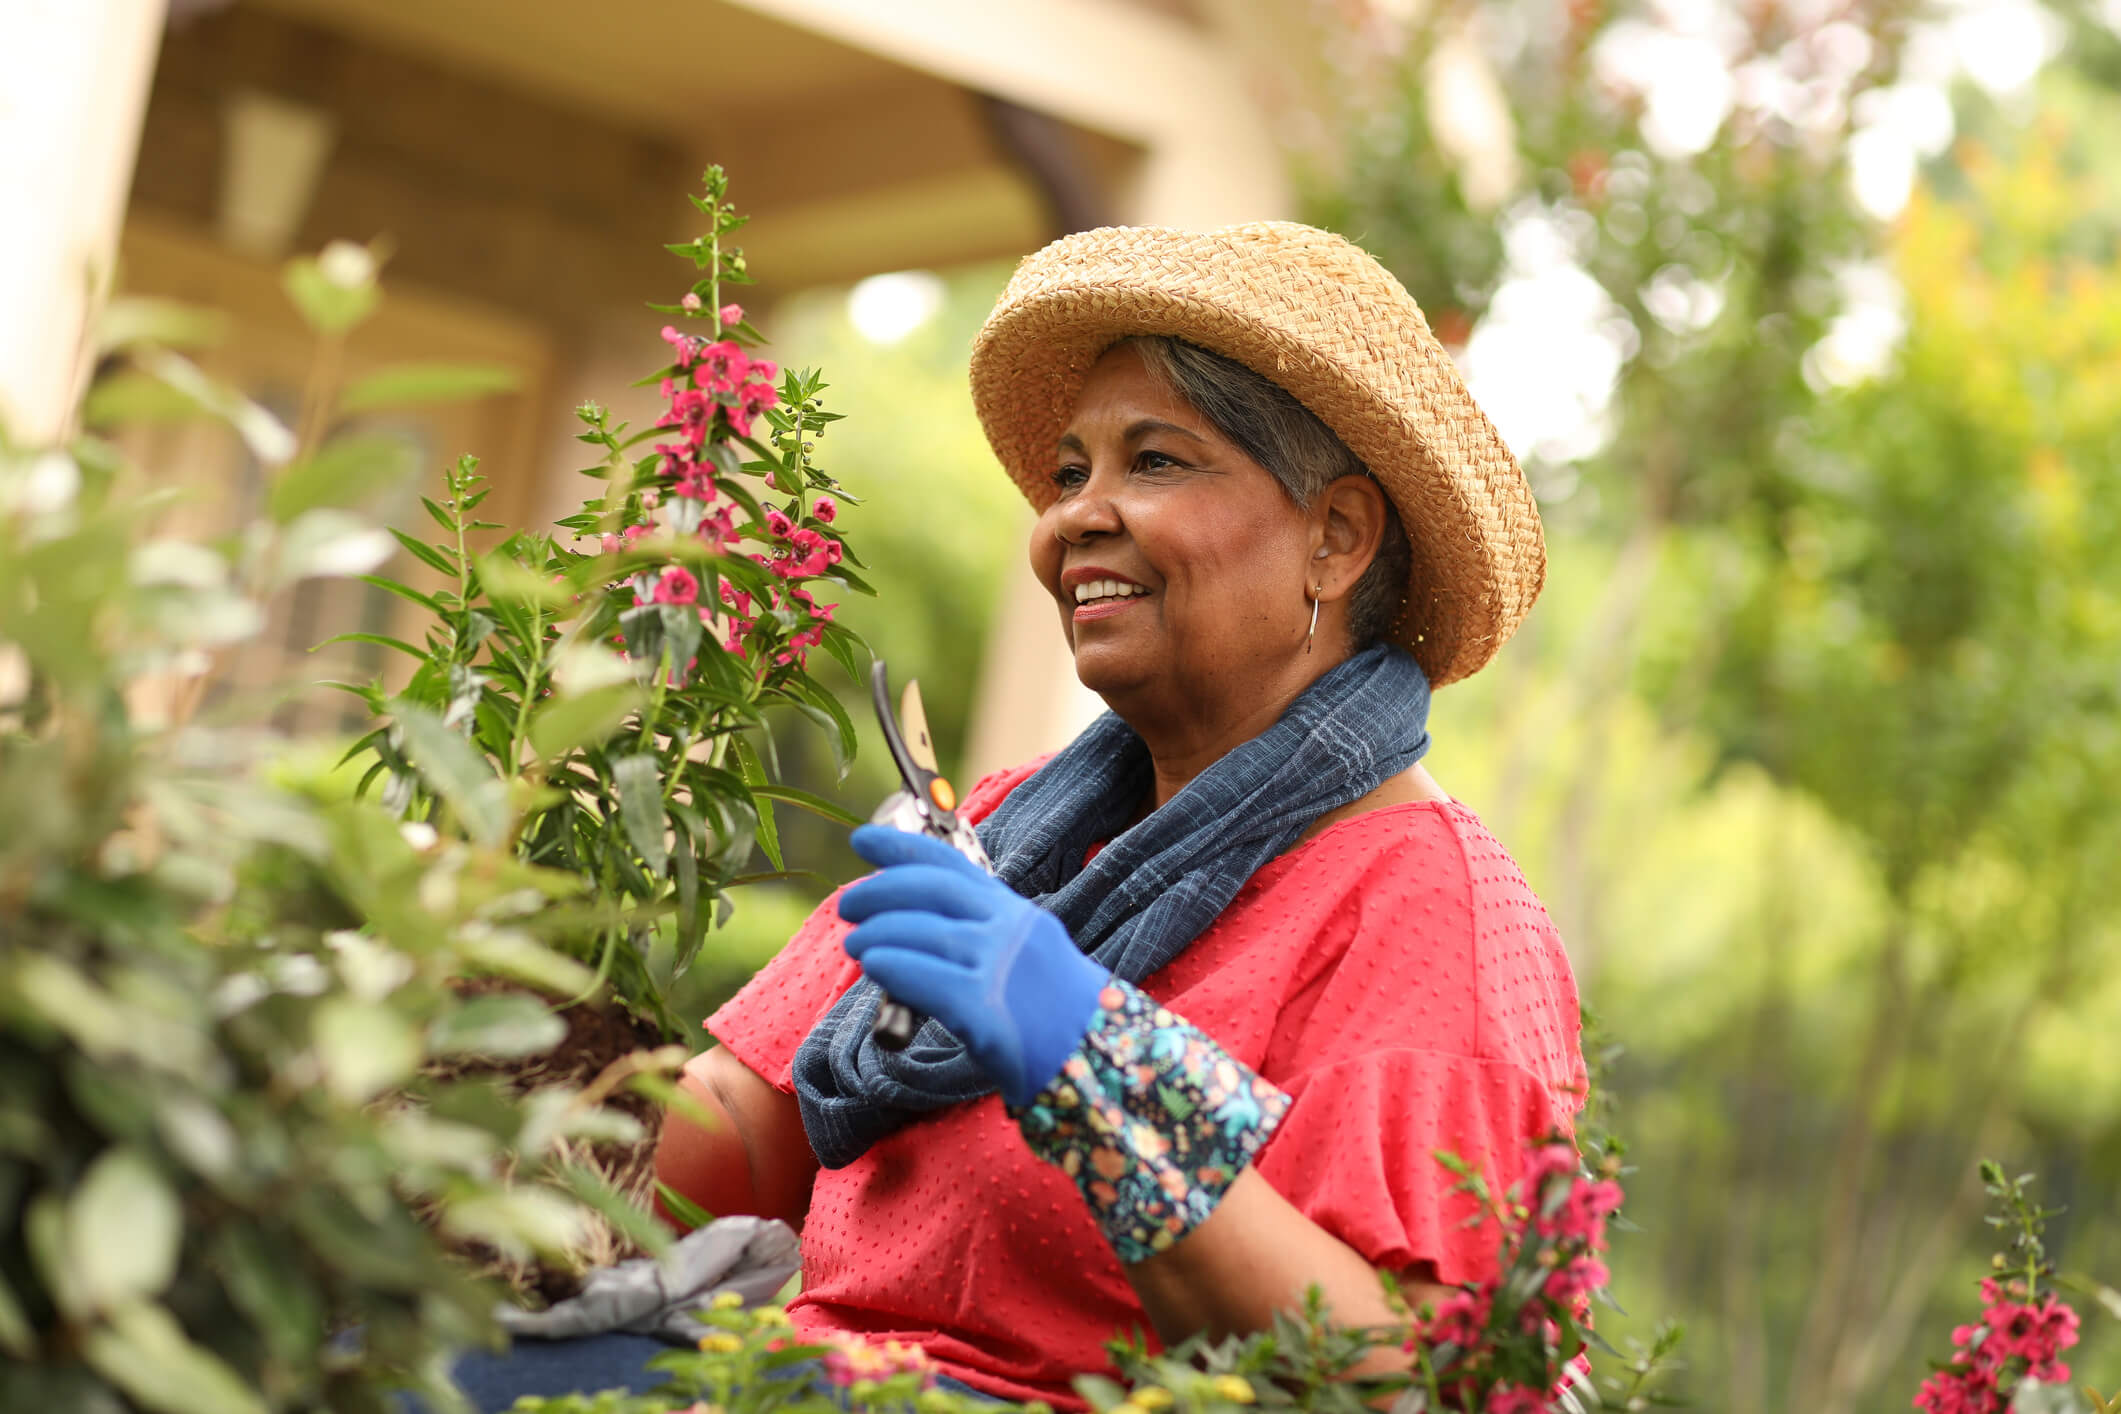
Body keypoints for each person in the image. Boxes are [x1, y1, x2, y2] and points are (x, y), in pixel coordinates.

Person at [648, 222, 1585, 1408]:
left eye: (1154, 462)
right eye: (1069, 473)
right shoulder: (1005, 822)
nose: (1076, 517)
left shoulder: (1425, 905)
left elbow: (1400, 1370)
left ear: (1337, 537)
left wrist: (1087, 1059)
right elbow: (743, 1120)